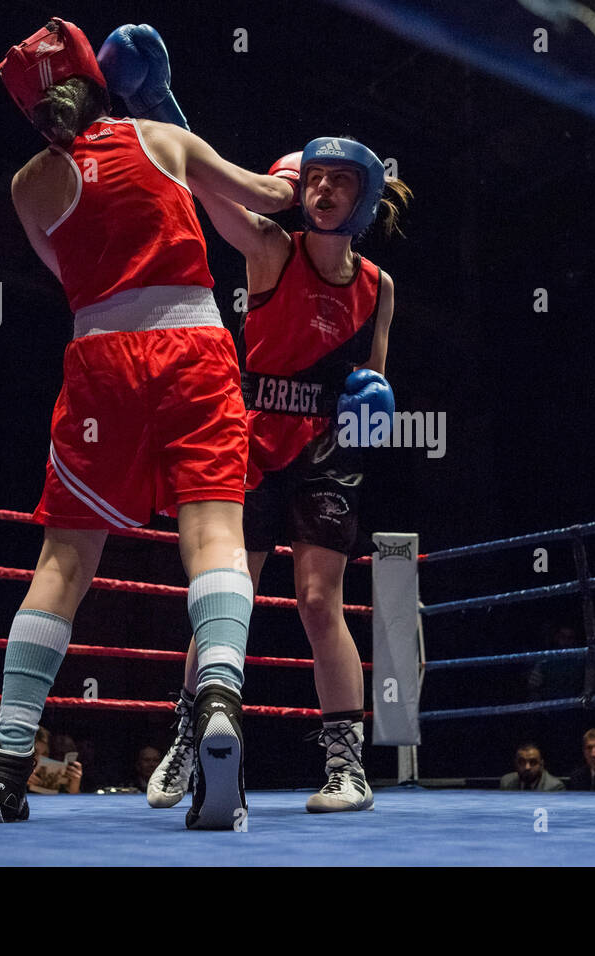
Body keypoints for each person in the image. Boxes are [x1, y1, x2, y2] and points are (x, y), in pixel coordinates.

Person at [0, 18, 294, 830]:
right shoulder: (161, 137)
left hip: (100, 360)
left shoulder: (25, 186)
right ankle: (218, 699)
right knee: (217, 536)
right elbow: (268, 199)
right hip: (192, 343)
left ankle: (5, 767)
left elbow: (69, 278)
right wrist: (294, 171)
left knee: (63, 561)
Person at [134, 113, 409, 809]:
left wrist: (375, 409)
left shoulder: (379, 287)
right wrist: (162, 104)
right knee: (228, 597)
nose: (320, 190)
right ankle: (188, 739)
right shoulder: (268, 247)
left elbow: (369, 386)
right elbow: (201, 179)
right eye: (313, 177)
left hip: (326, 451)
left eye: (337, 182)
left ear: (363, 200)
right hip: (250, 437)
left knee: (320, 602)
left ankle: (348, 768)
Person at [499, 742, 566, 792]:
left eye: (533, 762)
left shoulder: (555, 787)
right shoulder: (506, 782)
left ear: (541, 764)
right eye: (522, 762)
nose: (527, 767)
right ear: (516, 764)